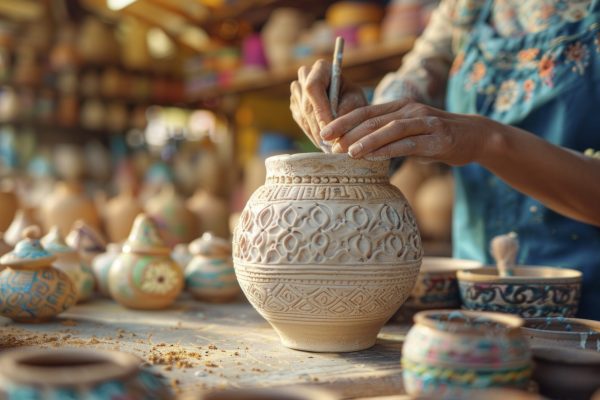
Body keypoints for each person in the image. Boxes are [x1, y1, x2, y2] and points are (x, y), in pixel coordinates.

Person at [289, 0, 600, 319]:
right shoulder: (468, 7)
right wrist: (358, 117)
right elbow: (420, 74)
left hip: (585, 309)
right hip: (478, 298)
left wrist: (486, 140)